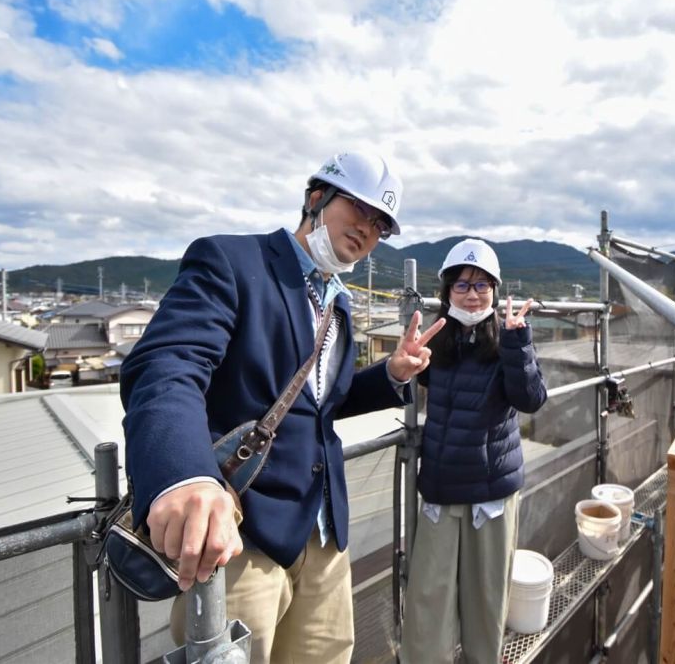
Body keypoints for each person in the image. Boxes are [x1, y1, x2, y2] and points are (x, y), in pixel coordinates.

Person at [119, 151, 445, 664]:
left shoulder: (338, 302)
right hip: (243, 538)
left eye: (380, 224)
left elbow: (320, 409)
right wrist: (184, 476)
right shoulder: (233, 262)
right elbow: (167, 366)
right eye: (358, 209)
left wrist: (392, 375)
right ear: (316, 198)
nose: (367, 230)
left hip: (324, 534)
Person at [399, 238, 548, 664]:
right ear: (447, 292)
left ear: (495, 292)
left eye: (483, 285)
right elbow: (418, 383)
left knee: (487, 595)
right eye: (462, 284)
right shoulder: (437, 341)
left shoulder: (507, 340)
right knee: (430, 596)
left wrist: (519, 344)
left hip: (491, 490)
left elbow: (531, 399)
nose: (472, 293)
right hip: (443, 484)